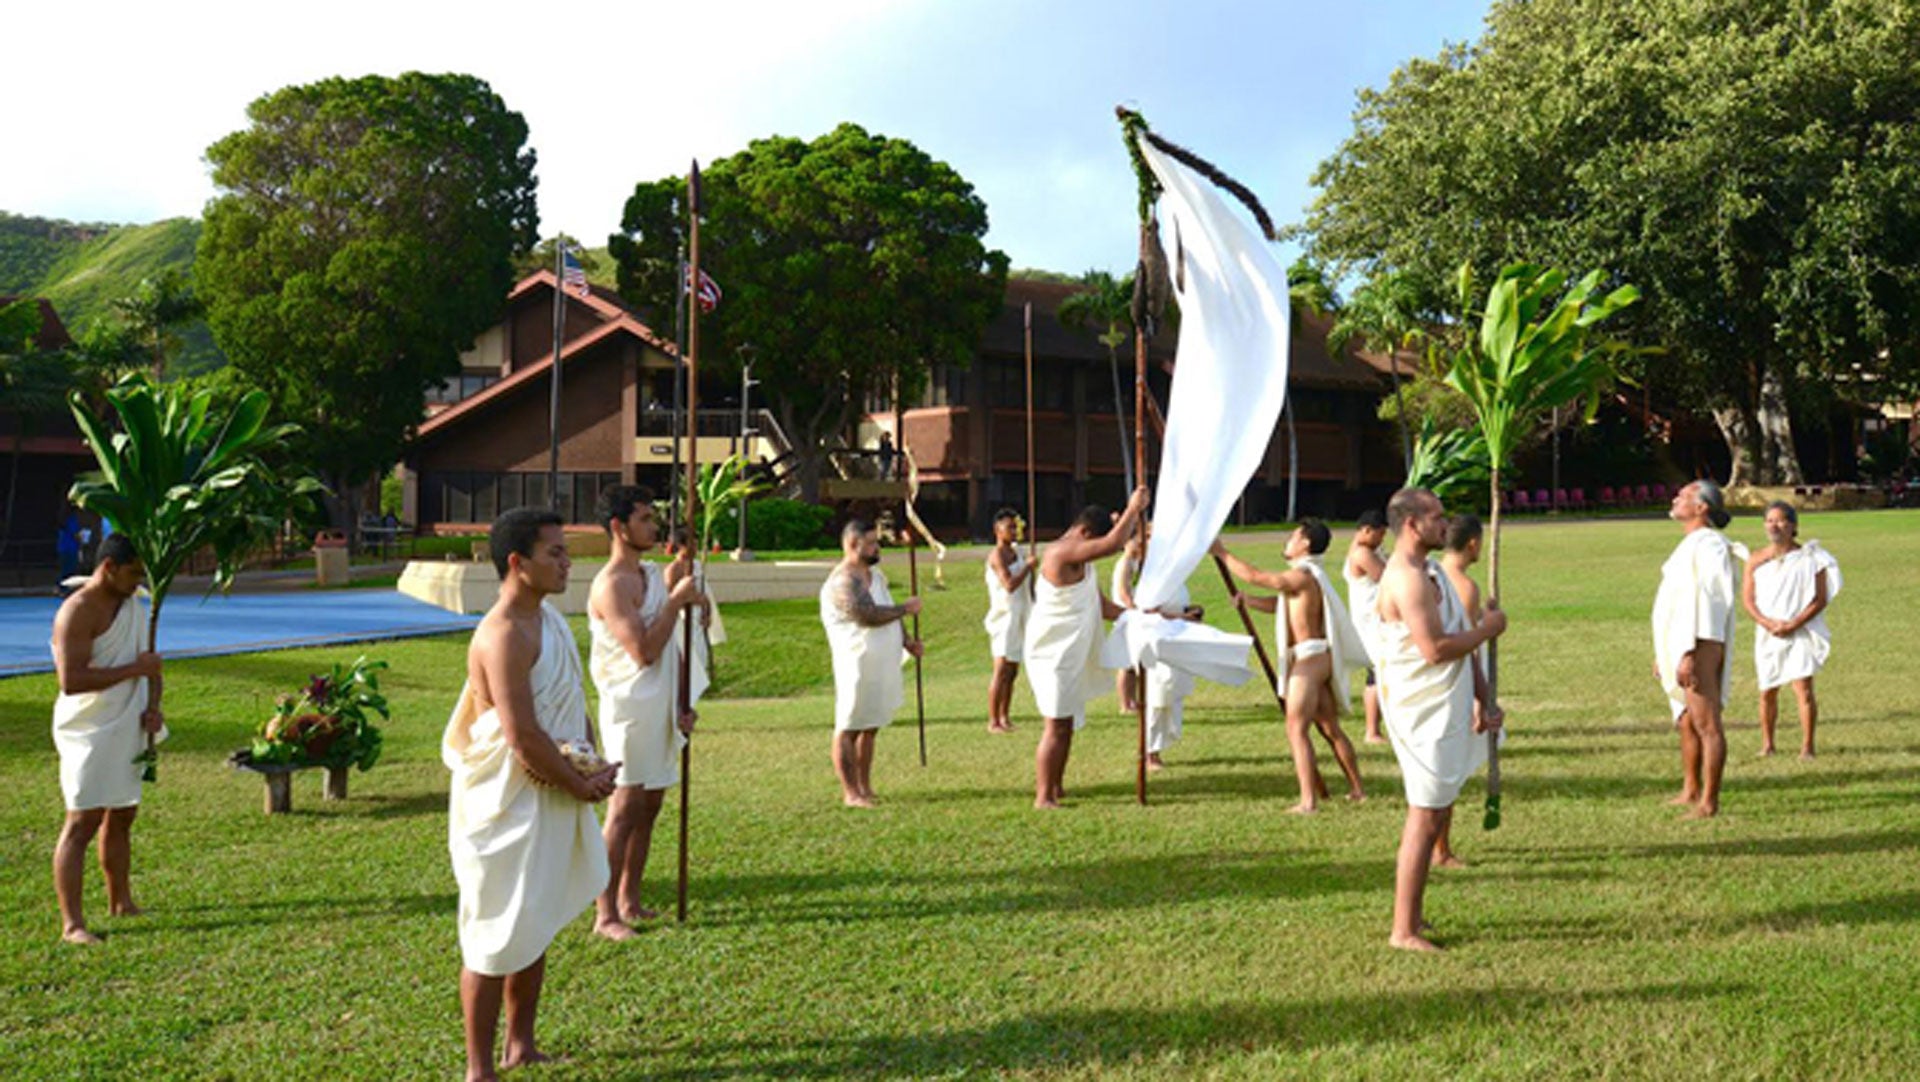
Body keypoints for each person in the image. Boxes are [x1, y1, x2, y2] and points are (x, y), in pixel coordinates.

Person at [445, 507, 619, 1082]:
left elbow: (574, 706)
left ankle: (520, 1045)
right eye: (556, 554)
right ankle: (479, 1069)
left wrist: (591, 765)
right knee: (493, 933)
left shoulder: (551, 622)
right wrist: (580, 784)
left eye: (567, 552)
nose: (568, 563)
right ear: (518, 563)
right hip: (506, 803)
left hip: (553, 789)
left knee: (534, 919)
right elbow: (521, 737)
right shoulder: (502, 635)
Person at [1375, 488, 1506, 951]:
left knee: (1437, 808)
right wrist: (1486, 631)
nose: (1444, 524)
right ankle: (1403, 930)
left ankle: (1413, 918)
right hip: (1420, 709)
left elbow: (1455, 638)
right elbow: (1433, 651)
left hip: (1448, 702)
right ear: (1412, 524)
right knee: (1425, 813)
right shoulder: (1406, 579)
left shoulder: (1433, 571)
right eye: (1436, 517)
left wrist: (1482, 699)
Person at [587, 486, 706, 940]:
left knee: (651, 804)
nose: (653, 526)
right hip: (628, 708)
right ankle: (605, 915)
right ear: (619, 527)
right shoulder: (611, 585)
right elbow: (642, 651)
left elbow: (672, 647)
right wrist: (676, 601)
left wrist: (681, 702)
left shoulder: (653, 574)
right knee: (624, 805)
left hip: (660, 706)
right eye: (644, 519)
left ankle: (629, 900)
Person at [50, 533, 164, 945]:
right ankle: (73, 925)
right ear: (109, 567)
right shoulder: (76, 611)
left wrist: (154, 705)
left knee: (123, 813)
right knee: (82, 821)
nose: (138, 583)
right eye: (133, 574)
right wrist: (134, 670)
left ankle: (121, 902)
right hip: (89, 727)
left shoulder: (135, 605)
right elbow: (72, 680)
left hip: (130, 721)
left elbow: (152, 664)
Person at [1213, 519, 1368, 812]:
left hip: (1309, 658)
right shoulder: (1308, 577)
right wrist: (1249, 601)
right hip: (1316, 657)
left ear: (1305, 544)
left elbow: (1257, 576)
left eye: (1293, 536)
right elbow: (1281, 602)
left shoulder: (1302, 575)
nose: (1288, 541)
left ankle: (1308, 801)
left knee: (1296, 728)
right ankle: (1358, 790)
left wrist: (1223, 553)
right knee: (1329, 727)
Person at [1024, 487, 1150, 809]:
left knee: (1066, 724)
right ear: (1083, 532)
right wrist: (1133, 509)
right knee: (1055, 724)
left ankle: (1056, 786)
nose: (1091, 550)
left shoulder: (1081, 561)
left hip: (1071, 652)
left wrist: (1138, 616)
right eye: (1091, 542)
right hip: (1051, 653)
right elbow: (1111, 545)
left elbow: (1101, 606)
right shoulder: (1059, 553)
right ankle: (1043, 796)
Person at [1652, 480, 1743, 819]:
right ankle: (1690, 789)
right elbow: (1676, 602)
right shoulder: (1692, 544)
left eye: (1685, 495)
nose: (1676, 498)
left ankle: (1709, 802)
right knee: (1686, 720)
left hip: (1700, 643)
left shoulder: (1710, 546)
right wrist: (1665, 651)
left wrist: (1690, 651)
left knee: (1707, 724)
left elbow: (1708, 601)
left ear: (1702, 507)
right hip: (1683, 644)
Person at [819, 518, 923, 807]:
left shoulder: (876, 576)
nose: (878, 547)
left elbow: (886, 608)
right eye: (872, 542)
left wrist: (907, 641)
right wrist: (905, 608)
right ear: (854, 544)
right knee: (850, 725)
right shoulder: (843, 580)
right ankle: (851, 792)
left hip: (881, 663)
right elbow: (865, 614)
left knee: (871, 725)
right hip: (856, 664)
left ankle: (865, 786)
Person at [1741, 501, 1840, 760]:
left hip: (1801, 630)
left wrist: (1794, 623)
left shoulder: (1811, 558)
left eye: (1781, 520)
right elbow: (1748, 600)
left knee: (1803, 688)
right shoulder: (1756, 560)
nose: (1775, 525)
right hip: (1768, 632)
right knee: (1767, 690)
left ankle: (1807, 747)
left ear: (1793, 526)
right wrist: (1766, 622)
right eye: (1769, 520)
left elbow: (1820, 598)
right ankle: (1767, 744)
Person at [1434, 514, 1489, 869]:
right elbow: (1466, 643)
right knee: (1446, 769)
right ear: (1472, 544)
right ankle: (1441, 850)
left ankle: (1439, 846)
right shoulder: (1463, 586)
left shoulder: (1431, 574)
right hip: (1452, 682)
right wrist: (1478, 698)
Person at [982, 508, 1032, 734]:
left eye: (1015, 527)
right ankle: (993, 720)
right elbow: (1009, 584)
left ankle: (1005, 715)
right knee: (1001, 669)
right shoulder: (996, 556)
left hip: (1021, 614)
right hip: (1004, 616)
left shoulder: (1018, 552)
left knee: (1013, 669)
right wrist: (1028, 567)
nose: (1013, 531)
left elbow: (1028, 587)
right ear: (997, 530)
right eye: (1009, 527)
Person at [1343, 509, 1389, 744]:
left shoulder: (1367, 549)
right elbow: (1386, 577)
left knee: (1379, 674)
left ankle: (1377, 729)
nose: (1382, 539)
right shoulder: (1362, 553)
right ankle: (1372, 731)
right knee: (1376, 675)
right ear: (1366, 531)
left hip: (1375, 621)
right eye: (1380, 534)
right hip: (1371, 624)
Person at [1111, 531, 1146, 714]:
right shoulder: (1124, 563)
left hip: (1135, 615)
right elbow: (1123, 592)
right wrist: (1133, 609)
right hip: (1126, 616)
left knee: (1136, 662)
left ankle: (1134, 699)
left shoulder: (1137, 562)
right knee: (1126, 663)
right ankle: (1125, 703)